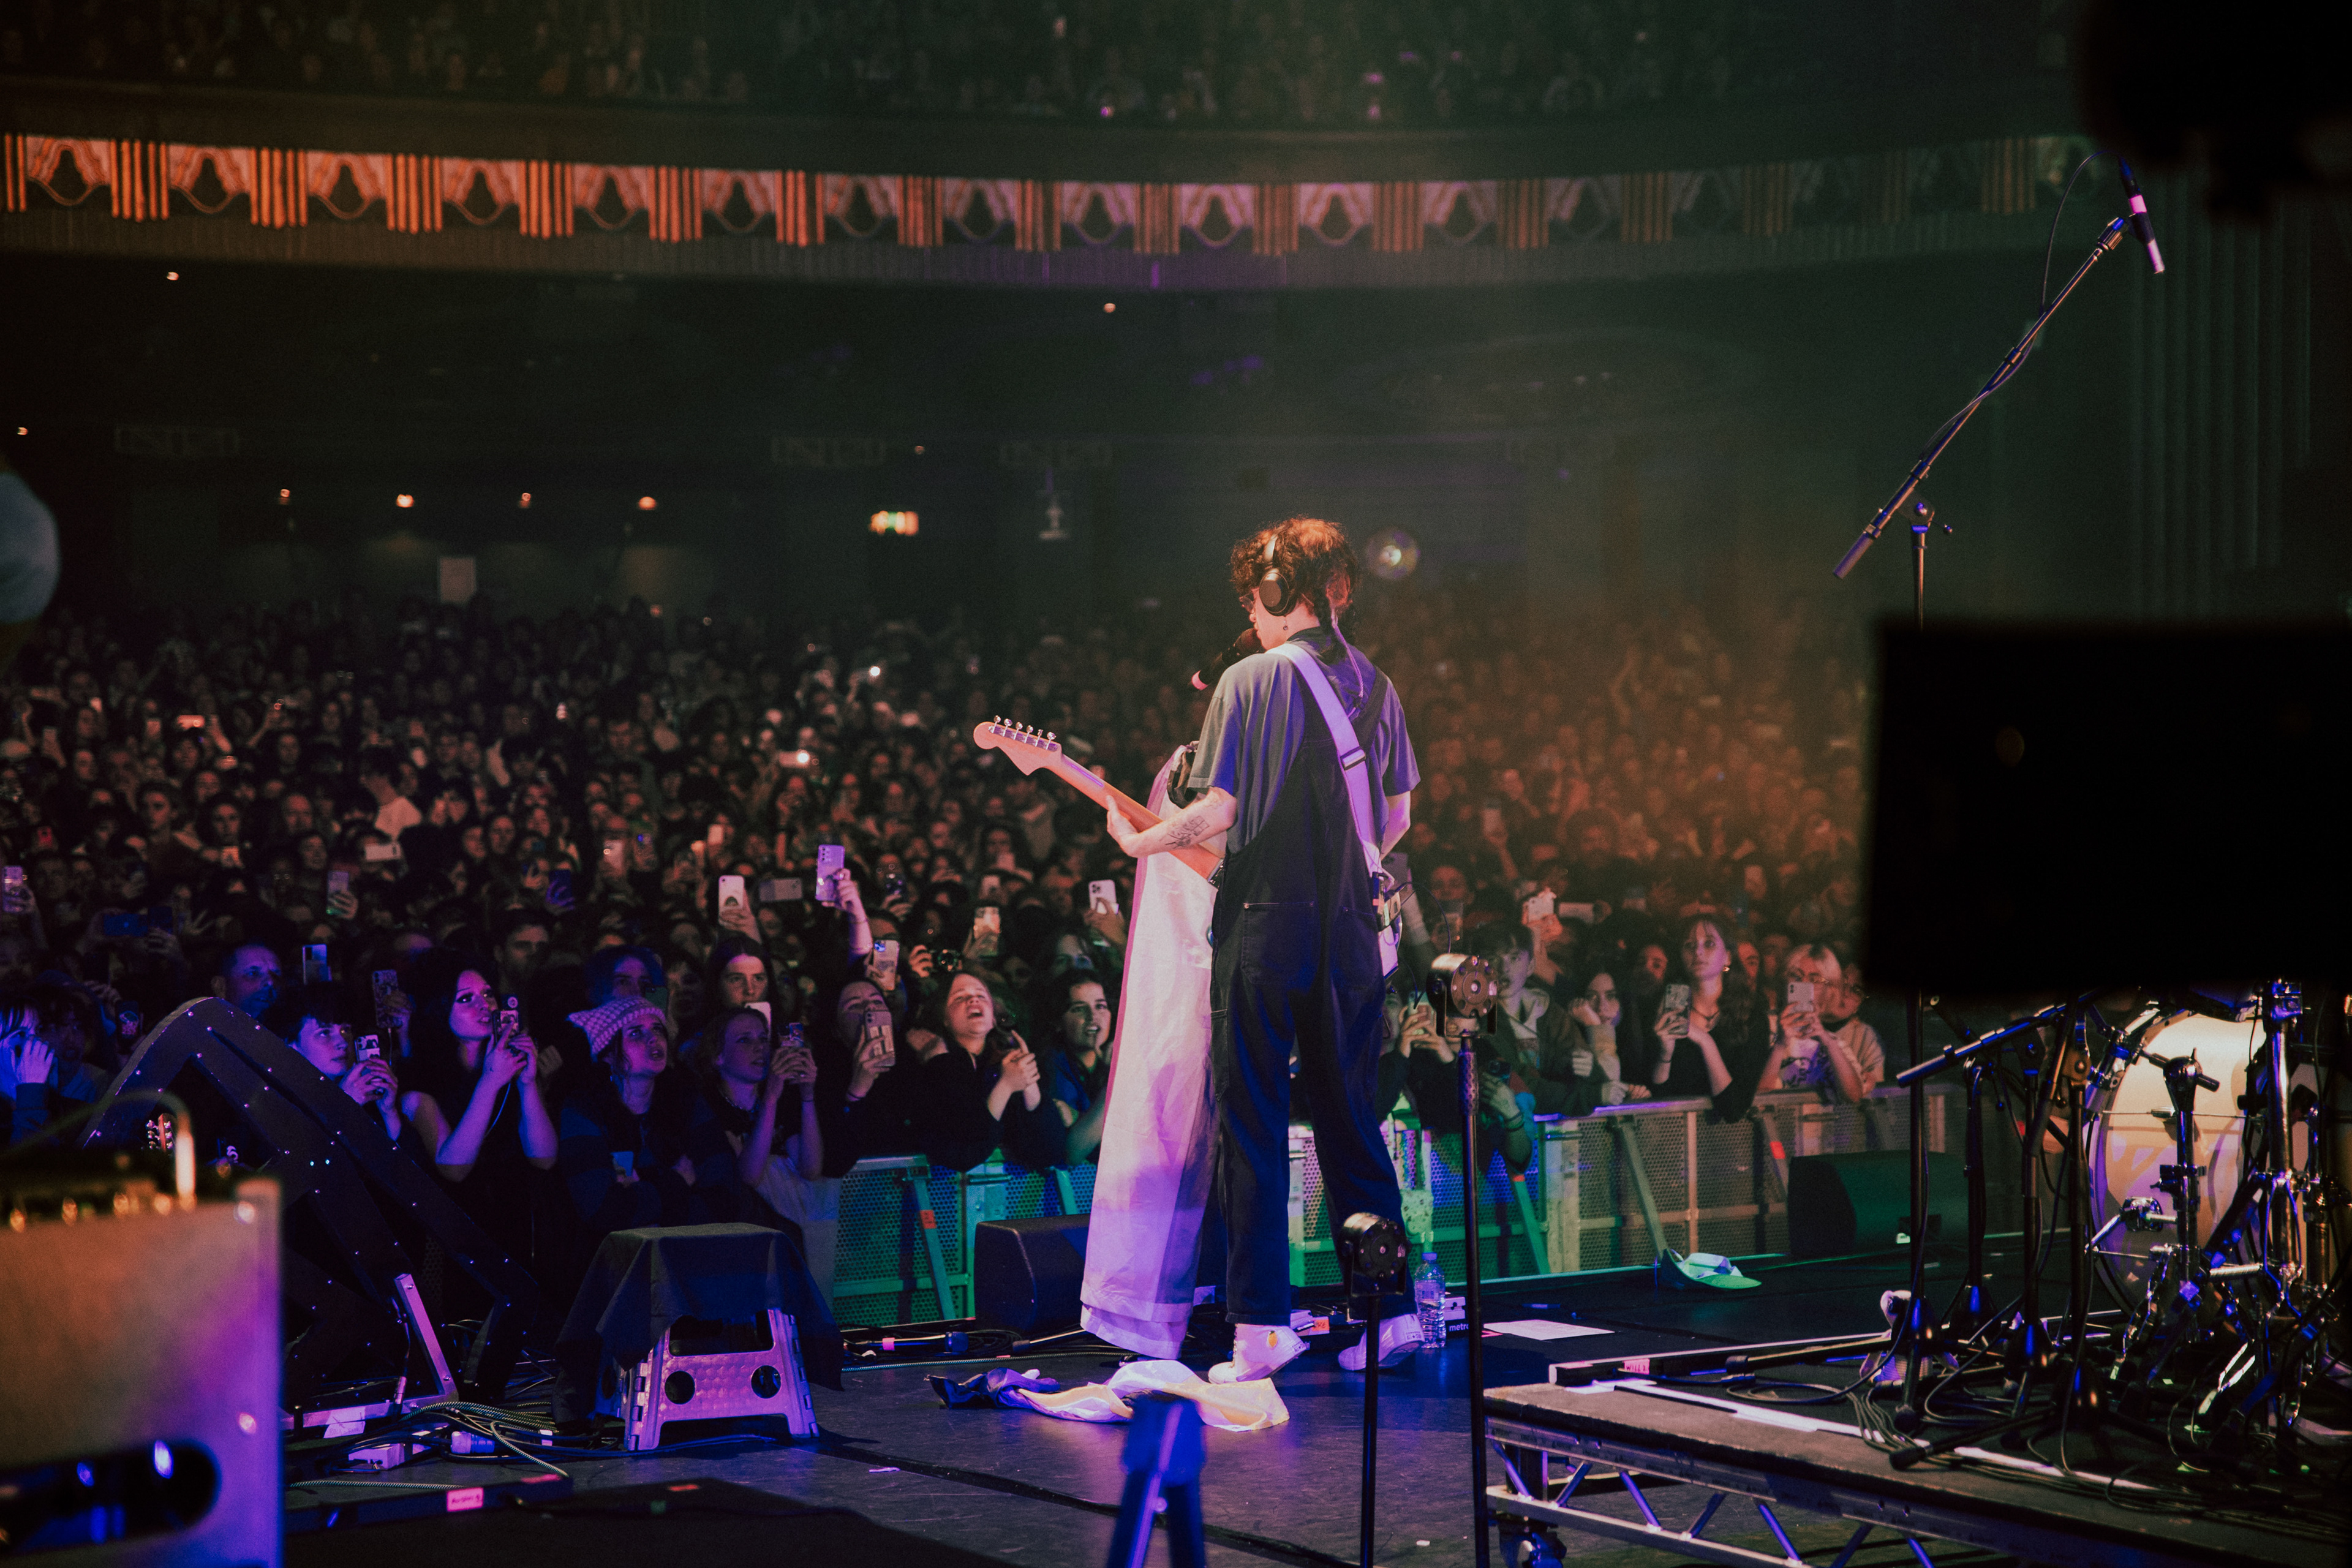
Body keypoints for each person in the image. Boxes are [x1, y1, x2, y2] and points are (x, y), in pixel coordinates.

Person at [1104, 516, 1419, 1380]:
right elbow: (1397, 819)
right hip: (1351, 930)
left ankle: (1261, 1328)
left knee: (1252, 1122)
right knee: (1354, 1120)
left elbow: (1219, 811)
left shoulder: (1249, 678)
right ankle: (1390, 1314)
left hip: (1266, 926)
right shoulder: (1380, 686)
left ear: (1273, 595)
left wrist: (1142, 838)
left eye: (1257, 595)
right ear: (1343, 589)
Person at [913, 969, 1058, 1170]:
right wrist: (1006, 1086)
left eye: (981, 995)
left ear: (993, 1019)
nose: (973, 1000)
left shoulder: (1006, 1062)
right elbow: (965, 1152)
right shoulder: (936, 1065)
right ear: (944, 1018)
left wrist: (1028, 1081)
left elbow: (1048, 1152)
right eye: (960, 997)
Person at [1646, 914, 1772, 1121]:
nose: (1698, 951)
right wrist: (1665, 1053)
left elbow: (1733, 1109)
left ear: (1728, 958)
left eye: (1710, 944)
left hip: (1732, 1143)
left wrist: (1705, 1041)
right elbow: (1657, 1099)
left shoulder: (1752, 1018)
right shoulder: (1663, 1010)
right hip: (1673, 1140)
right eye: (1689, 945)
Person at [262, 982, 402, 1139]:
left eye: (346, 1030)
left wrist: (388, 1112)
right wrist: (342, 1107)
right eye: (325, 1033)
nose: (343, 1042)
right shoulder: (278, 1103)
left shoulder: (365, 1096)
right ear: (291, 1044)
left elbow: (410, 1162)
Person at [1035, 968, 1112, 1163]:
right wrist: (1114, 1083)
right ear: (1058, 1021)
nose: (1093, 1017)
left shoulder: (1119, 1058)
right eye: (1079, 1008)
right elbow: (1075, 1152)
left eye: (1100, 1006)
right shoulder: (1052, 1067)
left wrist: (1078, 1117)